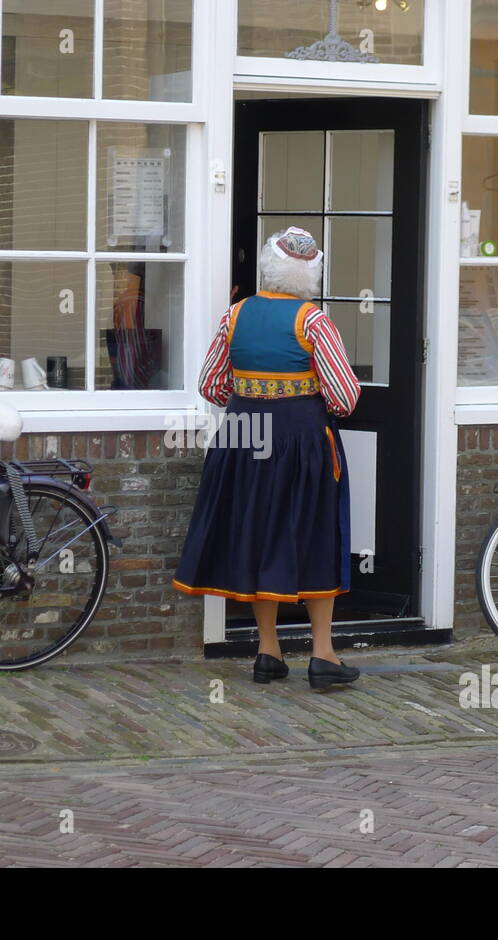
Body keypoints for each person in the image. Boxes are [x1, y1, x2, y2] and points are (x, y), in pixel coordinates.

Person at [172, 227, 362, 690]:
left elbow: (211, 386)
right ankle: (322, 654)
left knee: (258, 534)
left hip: (243, 437)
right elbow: (345, 397)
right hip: (302, 440)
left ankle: (268, 651)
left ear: (267, 266)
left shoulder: (234, 316)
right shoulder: (313, 321)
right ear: (311, 272)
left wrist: (251, 394)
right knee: (313, 536)